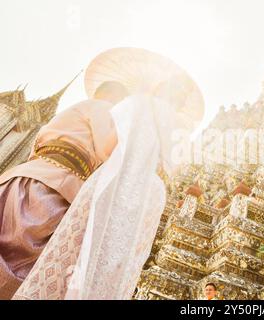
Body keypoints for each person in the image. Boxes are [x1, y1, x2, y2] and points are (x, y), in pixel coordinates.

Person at [11, 47, 204, 300]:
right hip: (123, 187)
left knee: (81, 255)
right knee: (103, 260)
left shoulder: (126, 107)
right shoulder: (170, 125)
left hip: (54, 177)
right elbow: (163, 162)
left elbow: (108, 149)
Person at [0, 80, 130, 300]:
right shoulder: (103, 108)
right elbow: (107, 151)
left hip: (23, 177)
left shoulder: (71, 112)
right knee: (33, 266)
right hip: (55, 187)